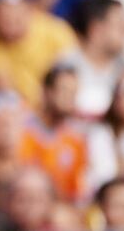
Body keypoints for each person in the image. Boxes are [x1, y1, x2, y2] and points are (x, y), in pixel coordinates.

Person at [0, 0, 77, 109]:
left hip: (59, 106)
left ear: (28, 9)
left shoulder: (55, 31)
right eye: (3, 12)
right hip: (22, 111)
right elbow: (3, 85)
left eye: (15, 10)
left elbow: (74, 74)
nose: (10, 16)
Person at [19, 64, 88, 202]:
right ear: (46, 91)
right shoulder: (20, 129)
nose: (69, 98)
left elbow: (76, 190)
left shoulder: (76, 140)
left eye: (73, 93)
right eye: (64, 90)